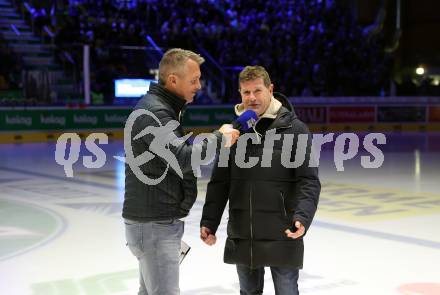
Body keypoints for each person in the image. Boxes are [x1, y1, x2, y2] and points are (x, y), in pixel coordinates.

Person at [123, 48, 239, 295]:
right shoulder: (155, 114)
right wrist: (220, 138)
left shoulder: (161, 109)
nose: (199, 85)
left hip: (153, 222)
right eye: (194, 80)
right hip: (154, 224)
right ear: (173, 80)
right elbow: (183, 158)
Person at [200, 66, 321, 295]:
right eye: (246, 92)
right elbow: (220, 183)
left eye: (257, 90)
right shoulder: (233, 132)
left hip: (283, 233)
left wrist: (302, 217)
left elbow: (308, 180)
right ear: (240, 94)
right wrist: (209, 221)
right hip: (244, 233)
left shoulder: (295, 130)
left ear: (270, 89)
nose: (252, 98)